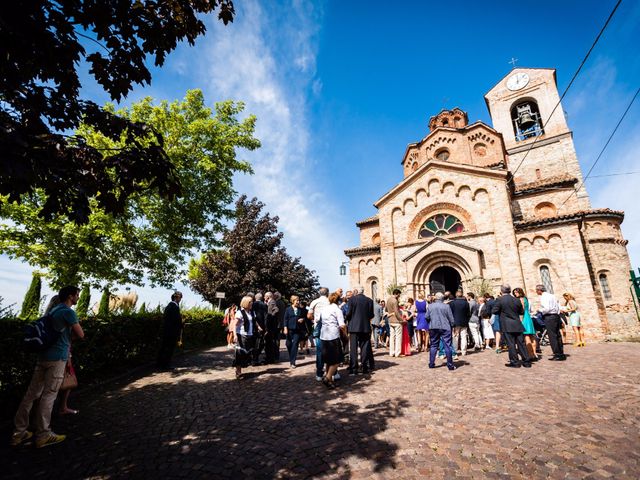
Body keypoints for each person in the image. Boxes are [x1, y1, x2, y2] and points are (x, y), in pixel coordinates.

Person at [11, 286, 84, 448]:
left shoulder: (54, 309)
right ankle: (43, 434)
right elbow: (81, 334)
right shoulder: (68, 311)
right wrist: (68, 340)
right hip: (58, 358)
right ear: (71, 296)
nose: (78, 297)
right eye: (77, 295)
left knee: (31, 394)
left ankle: (19, 432)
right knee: (49, 395)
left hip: (43, 356)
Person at [492, 284, 531, 368]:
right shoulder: (516, 300)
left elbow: (494, 311)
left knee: (511, 344)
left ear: (502, 291)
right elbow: (521, 311)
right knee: (521, 343)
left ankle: (515, 362)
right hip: (517, 324)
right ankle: (526, 361)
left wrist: (502, 312)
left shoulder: (500, 300)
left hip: (507, 325)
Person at [318, 292, 347, 389]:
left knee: (328, 359)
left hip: (324, 336)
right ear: (338, 300)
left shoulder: (324, 308)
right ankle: (328, 377)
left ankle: (329, 381)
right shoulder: (337, 309)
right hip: (333, 336)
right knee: (337, 359)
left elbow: (319, 320)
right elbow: (342, 325)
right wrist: (345, 334)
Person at [345, 286, 374, 374]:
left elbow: (349, 313)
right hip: (365, 327)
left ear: (356, 291)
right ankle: (364, 367)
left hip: (353, 327)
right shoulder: (369, 300)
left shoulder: (352, 300)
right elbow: (371, 315)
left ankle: (354, 369)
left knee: (353, 349)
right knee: (364, 348)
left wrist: (347, 318)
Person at [535, 284, 566, 361]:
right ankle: (561, 353)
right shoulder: (552, 296)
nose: (536, 292)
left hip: (549, 317)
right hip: (556, 316)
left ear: (539, 290)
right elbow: (558, 307)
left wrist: (539, 310)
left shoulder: (544, 297)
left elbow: (547, 308)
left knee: (552, 336)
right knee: (558, 335)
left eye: (536, 290)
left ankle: (557, 354)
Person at [426, 292, 456, 371]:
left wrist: (431, 322)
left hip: (433, 327)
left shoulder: (430, 306)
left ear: (435, 298)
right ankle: (450, 365)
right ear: (442, 298)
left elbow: (426, 317)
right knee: (447, 345)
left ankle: (431, 364)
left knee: (433, 345)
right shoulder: (446, 306)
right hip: (445, 327)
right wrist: (452, 326)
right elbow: (451, 318)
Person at [157, 291, 184, 371]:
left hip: (167, 331)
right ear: (176, 297)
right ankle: (165, 365)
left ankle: (160, 364)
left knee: (164, 347)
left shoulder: (170, 305)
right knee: (169, 348)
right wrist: (182, 324)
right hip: (171, 332)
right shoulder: (174, 306)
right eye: (180, 297)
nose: (180, 299)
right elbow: (176, 320)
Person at [308, 287, 330, 381]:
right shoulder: (330, 301)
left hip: (319, 327)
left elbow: (309, 315)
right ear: (327, 293)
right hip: (330, 327)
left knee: (320, 351)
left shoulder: (314, 302)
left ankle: (319, 373)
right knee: (331, 350)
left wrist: (314, 320)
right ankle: (332, 372)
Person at [232, 295, 256, 379]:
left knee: (247, 353)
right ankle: (238, 372)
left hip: (250, 335)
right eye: (250, 302)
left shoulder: (252, 312)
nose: (252, 303)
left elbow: (253, 322)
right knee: (239, 354)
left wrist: (259, 327)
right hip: (241, 335)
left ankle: (240, 369)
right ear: (246, 303)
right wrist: (235, 335)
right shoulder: (240, 313)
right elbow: (234, 325)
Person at [513, 288, 537, 359]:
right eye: (514, 293)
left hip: (524, 318)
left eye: (516, 292)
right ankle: (534, 353)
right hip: (528, 317)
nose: (515, 294)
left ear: (520, 292)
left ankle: (530, 354)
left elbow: (522, 310)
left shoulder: (521, 299)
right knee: (532, 336)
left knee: (526, 336)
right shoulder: (525, 298)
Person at [284, 295, 306, 368]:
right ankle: (291, 357)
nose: (298, 302)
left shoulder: (301, 309)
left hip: (297, 330)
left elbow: (305, 317)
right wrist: (285, 328)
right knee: (288, 344)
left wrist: (302, 319)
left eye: (299, 300)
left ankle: (292, 362)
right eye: (297, 300)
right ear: (293, 301)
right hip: (289, 329)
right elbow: (285, 319)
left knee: (295, 345)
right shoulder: (288, 309)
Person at [449, 290, 470, 356]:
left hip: (456, 322)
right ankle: (463, 351)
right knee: (464, 336)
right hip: (464, 322)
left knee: (455, 337)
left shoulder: (452, 303)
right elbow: (468, 313)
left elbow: (450, 313)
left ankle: (455, 351)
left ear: (456, 295)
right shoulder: (466, 303)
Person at [264, 292, 280, 364]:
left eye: (265, 296)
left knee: (272, 341)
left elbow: (276, 309)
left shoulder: (272, 302)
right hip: (272, 325)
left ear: (268, 297)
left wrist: (270, 316)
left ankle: (272, 357)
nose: (264, 297)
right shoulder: (270, 302)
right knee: (271, 341)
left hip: (272, 325)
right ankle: (271, 357)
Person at [252, 293, 268, 365]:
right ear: (261, 298)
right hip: (261, 326)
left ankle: (252, 358)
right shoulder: (264, 305)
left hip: (252, 326)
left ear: (255, 298)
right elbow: (265, 317)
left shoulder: (252, 304)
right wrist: (266, 327)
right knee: (259, 342)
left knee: (253, 342)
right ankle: (255, 358)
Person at [386, 289, 403, 357]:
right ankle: (397, 353)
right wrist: (401, 320)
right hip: (396, 321)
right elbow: (396, 312)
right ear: (397, 294)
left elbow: (386, 309)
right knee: (398, 337)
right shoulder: (395, 300)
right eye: (399, 294)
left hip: (390, 320)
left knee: (392, 337)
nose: (399, 296)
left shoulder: (388, 299)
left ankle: (391, 352)